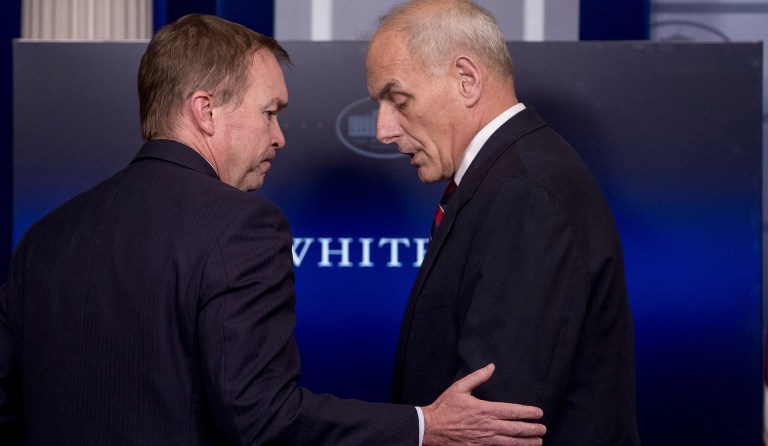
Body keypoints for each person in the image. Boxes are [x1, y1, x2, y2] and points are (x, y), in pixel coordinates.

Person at [0, 13, 548, 446]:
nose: (281, 136)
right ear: (205, 111)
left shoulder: (43, 238)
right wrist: (426, 426)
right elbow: (261, 417)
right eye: (270, 112)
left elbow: (10, 408)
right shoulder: (241, 226)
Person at [366, 1, 641, 444]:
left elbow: (493, 418)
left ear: (466, 79)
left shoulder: (525, 191)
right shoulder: (509, 176)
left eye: (398, 100)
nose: (383, 129)